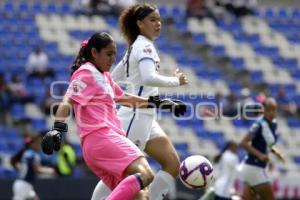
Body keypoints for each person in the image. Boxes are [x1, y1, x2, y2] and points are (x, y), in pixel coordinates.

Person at [40, 32, 186, 200]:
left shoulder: (105, 76)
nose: (112, 59)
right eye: (108, 54)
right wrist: (57, 129)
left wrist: (161, 103)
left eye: (114, 55)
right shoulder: (86, 72)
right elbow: (67, 101)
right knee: (146, 174)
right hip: (102, 138)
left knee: (140, 196)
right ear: (94, 53)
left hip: (99, 146)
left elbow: (126, 98)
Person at [91, 4, 189, 200]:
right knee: (122, 176)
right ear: (140, 23)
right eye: (152, 20)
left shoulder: (135, 47)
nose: (158, 24)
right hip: (134, 118)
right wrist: (175, 81)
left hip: (146, 117)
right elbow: (148, 78)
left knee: (172, 164)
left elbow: (112, 78)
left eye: (159, 20)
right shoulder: (144, 46)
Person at [238, 97, 285, 200]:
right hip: (253, 167)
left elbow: (268, 144)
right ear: (262, 110)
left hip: (256, 168)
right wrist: (260, 155)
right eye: (268, 110)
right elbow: (243, 143)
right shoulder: (259, 124)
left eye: (274, 109)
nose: (272, 113)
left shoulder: (273, 124)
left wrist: (277, 152)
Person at [11, 135, 56, 200]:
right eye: (38, 143)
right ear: (33, 144)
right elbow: (36, 169)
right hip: (24, 185)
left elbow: (14, 161)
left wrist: (19, 168)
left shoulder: (27, 153)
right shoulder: (33, 154)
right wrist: (49, 171)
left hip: (25, 185)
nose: (40, 146)